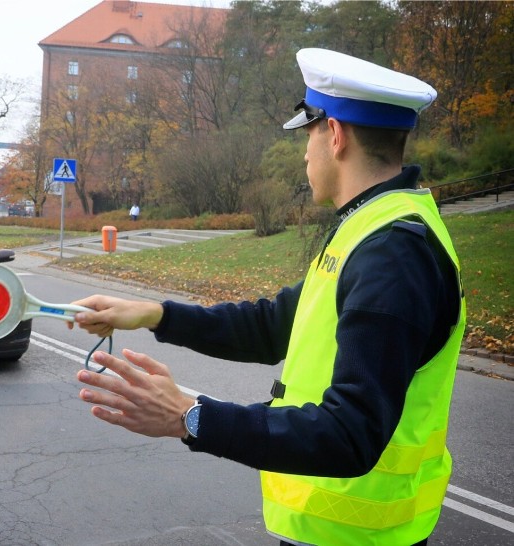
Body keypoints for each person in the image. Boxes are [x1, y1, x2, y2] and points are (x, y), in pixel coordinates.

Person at [70, 48, 464, 546]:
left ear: (336, 135)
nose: (305, 151)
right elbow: (273, 325)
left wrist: (190, 417)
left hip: (357, 537)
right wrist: (155, 314)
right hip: (334, 528)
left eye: (308, 133)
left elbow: (350, 433)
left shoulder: (392, 254)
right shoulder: (370, 229)